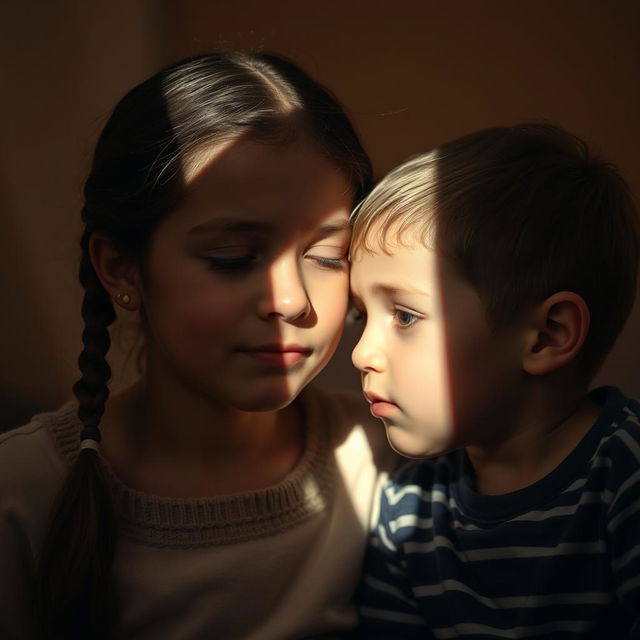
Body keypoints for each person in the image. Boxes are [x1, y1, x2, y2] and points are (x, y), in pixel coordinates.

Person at [0, 52, 395, 639]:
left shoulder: (384, 462)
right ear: (121, 269)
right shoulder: (21, 495)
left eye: (325, 257)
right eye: (231, 259)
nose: (289, 301)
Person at [349, 123, 640, 638]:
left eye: (405, 316)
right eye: (360, 316)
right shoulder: (406, 504)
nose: (361, 353)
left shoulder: (624, 478)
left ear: (547, 336)